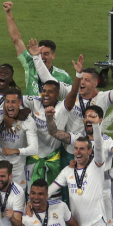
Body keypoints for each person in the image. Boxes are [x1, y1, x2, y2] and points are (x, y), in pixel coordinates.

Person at [22, 55, 82, 192]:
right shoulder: (34, 101)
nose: (46, 94)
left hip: (53, 157)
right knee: (31, 192)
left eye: (51, 92)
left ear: (58, 95)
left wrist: (78, 74)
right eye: (44, 91)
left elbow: (73, 93)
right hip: (33, 156)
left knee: (52, 193)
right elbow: (12, 100)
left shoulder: (63, 108)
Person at [3, 2, 72, 96]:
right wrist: (8, 13)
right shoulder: (30, 63)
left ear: (53, 56)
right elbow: (16, 39)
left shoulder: (63, 76)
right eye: (40, 53)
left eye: (46, 54)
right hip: (30, 109)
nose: (42, 57)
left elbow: (73, 98)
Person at [0, 88, 38, 188]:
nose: (10, 105)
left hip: (16, 170)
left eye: (13, 102)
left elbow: (34, 149)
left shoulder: (27, 121)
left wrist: (15, 151)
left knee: (17, 200)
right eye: (7, 102)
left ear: (20, 103)